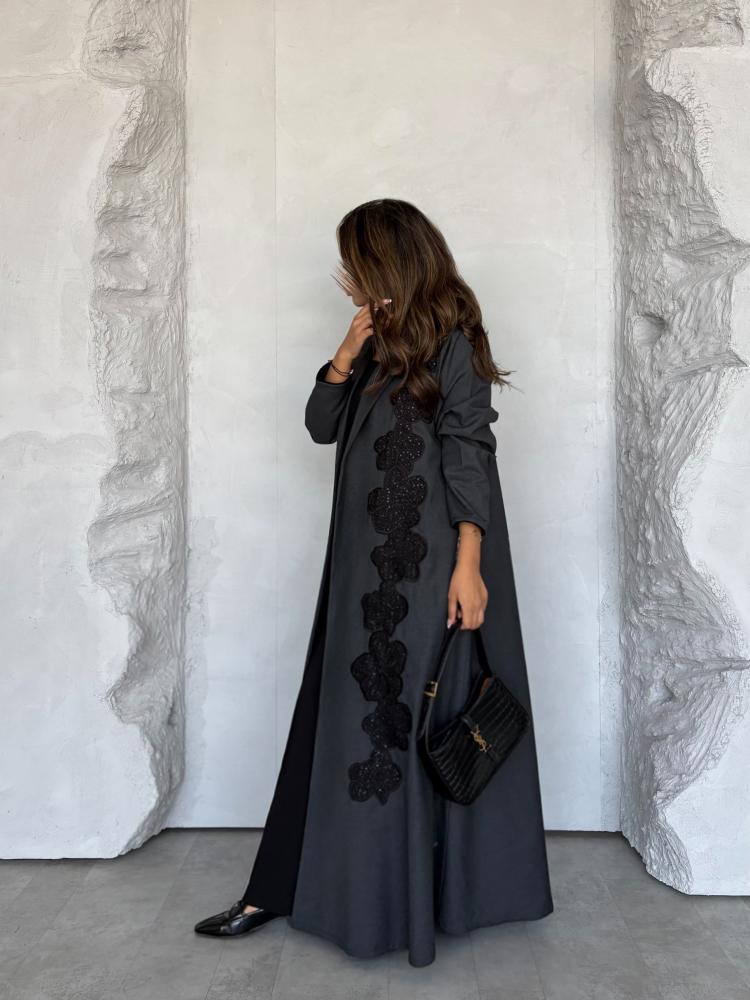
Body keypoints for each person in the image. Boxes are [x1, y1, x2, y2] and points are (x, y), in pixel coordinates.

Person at [194, 198, 553, 967]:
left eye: (353, 262)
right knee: (341, 722)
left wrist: (468, 564)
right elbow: (319, 424)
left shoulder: (453, 339)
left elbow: (468, 450)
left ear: (386, 260)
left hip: (427, 573)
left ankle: (396, 903)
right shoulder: (376, 341)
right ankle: (298, 888)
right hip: (361, 572)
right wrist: (346, 349)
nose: (345, 276)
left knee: (406, 726)